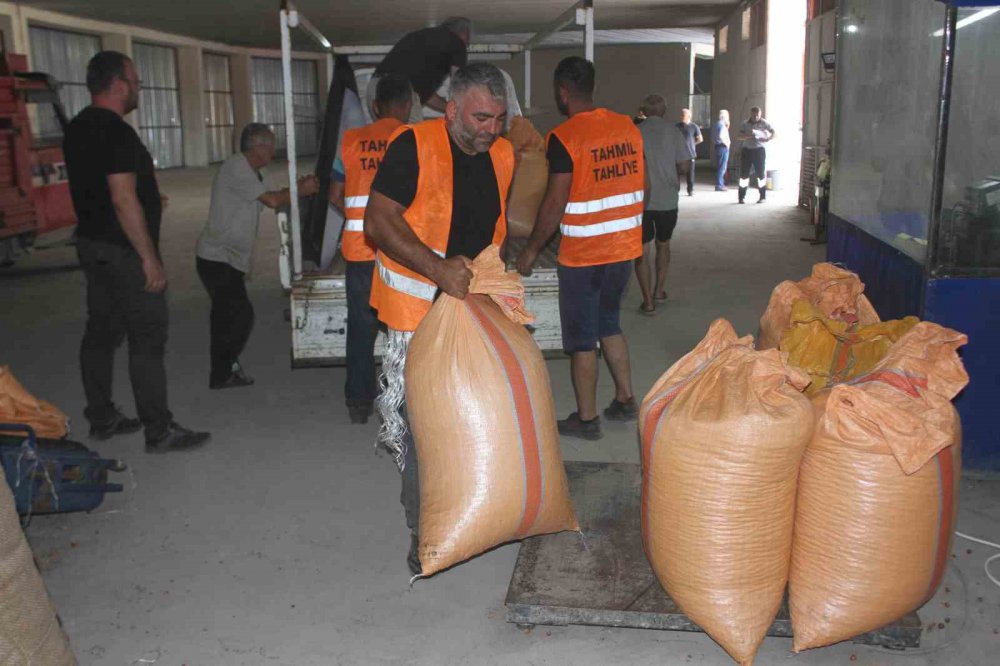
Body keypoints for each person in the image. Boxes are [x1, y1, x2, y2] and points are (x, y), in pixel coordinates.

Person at [364, 63, 514, 574]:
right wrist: (437, 270)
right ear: (451, 110)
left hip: (475, 307)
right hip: (416, 313)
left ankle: (481, 508)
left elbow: (492, 228)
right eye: (479, 118)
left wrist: (496, 282)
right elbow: (377, 221)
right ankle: (422, 527)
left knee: (479, 413)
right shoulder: (413, 146)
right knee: (422, 424)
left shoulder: (504, 153)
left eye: (498, 119)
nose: (490, 129)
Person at [63, 51, 209, 452]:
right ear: (119, 84)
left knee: (101, 333)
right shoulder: (117, 132)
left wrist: (148, 198)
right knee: (147, 336)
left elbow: (103, 188)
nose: (140, 87)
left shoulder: (77, 128)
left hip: (92, 246)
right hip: (123, 252)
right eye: (136, 80)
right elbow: (122, 199)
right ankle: (159, 431)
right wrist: (149, 257)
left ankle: (102, 417)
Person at [516, 56, 644, 442]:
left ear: (562, 92)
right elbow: (646, 185)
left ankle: (586, 419)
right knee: (609, 323)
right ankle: (625, 398)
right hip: (624, 249)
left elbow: (554, 204)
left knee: (582, 340)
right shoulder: (627, 128)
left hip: (584, 256)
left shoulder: (565, 137)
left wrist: (531, 250)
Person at [196, 124, 319, 390]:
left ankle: (223, 371)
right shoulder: (237, 167)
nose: (273, 151)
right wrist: (301, 190)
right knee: (240, 315)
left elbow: (273, 198)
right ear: (258, 146)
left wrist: (296, 189)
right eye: (271, 145)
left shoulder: (250, 172)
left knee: (226, 317)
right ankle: (225, 368)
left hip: (226, 257)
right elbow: (274, 201)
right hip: (218, 257)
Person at [328, 74, 413, 424]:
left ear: (375, 106)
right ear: (407, 107)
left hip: (361, 251)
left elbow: (335, 196)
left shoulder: (351, 140)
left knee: (361, 327)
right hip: (402, 254)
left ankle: (358, 402)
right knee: (403, 328)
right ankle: (405, 401)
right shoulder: (414, 139)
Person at [634, 94, 690, 315]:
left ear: (644, 111)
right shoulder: (674, 132)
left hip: (641, 201)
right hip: (667, 199)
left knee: (641, 250)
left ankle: (648, 301)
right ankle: (659, 290)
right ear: (664, 110)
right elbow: (684, 166)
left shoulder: (635, 132)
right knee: (663, 244)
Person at [364, 17, 471, 124]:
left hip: (375, 90)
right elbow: (459, 83)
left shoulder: (420, 41)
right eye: (467, 42)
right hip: (400, 95)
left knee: (385, 137)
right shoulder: (457, 43)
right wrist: (462, 110)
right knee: (410, 137)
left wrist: (449, 108)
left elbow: (426, 95)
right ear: (464, 33)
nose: (467, 46)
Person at [737, 106, 776, 204]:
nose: (755, 117)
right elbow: (739, 137)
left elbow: (774, 132)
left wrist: (768, 138)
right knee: (744, 176)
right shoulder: (745, 124)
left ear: (760, 114)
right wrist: (751, 136)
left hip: (759, 151)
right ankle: (741, 197)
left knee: (760, 175)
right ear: (751, 114)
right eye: (754, 115)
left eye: (757, 115)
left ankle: (762, 197)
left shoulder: (764, 123)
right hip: (747, 151)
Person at [676, 108, 702, 196]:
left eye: (683, 115)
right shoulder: (677, 126)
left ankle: (690, 190)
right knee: (676, 173)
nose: (681, 117)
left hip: (690, 154)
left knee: (690, 173)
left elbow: (700, 139)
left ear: (689, 116)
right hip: (678, 154)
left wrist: (692, 144)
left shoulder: (694, 126)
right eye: (681, 115)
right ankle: (676, 190)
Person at [713, 109, 731, 191]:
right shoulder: (721, 125)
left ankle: (720, 183)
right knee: (722, 167)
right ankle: (719, 185)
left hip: (717, 147)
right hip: (722, 147)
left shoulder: (716, 124)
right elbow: (721, 136)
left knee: (720, 166)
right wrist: (726, 144)